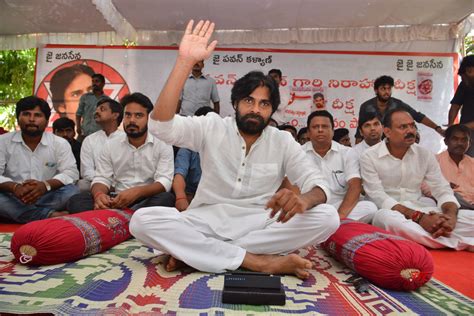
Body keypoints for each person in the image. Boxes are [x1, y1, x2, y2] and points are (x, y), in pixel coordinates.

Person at [130, 20, 339, 279]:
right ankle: (257, 262)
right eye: (249, 100)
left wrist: (304, 199)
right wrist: (185, 62)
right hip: (205, 221)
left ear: (272, 111)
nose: (255, 109)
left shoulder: (282, 141)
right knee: (141, 221)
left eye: (264, 104)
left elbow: (319, 184)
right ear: (235, 103)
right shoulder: (212, 127)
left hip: (259, 223)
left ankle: (199, 254)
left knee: (328, 217)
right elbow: (161, 126)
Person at [360, 108, 473, 250]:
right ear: (387, 132)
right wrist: (419, 218)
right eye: (403, 127)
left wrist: (450, 217)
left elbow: (442, 188)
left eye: (412, 126)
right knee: (387, 220)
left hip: (421, 207)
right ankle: (461, 243)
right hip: (389, 211)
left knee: (469, 217)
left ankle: (437, 231)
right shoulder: (369, 156)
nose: (411, 130)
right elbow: (377, 196)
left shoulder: (424, 154)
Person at [67, 93, 175, 212]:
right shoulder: (111, 145)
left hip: (146, 198)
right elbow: (102, 178)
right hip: (116, 198)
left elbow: (164, 182)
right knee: (76, 201)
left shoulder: (162, 144)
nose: (132, 120)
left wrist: (137, 192)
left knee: (166, 199)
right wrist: (99, 196)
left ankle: (115, 218)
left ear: (149, 119)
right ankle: (128, 217)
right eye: (128, 115)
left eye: (138, 115)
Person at [0, 96, 79, 223]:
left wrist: (45, 185)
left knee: (73, 192)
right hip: (13, 195)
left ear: (47, 121)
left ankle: (21, 213)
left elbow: (71, 172)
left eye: (38, 115)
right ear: (18, 118)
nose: (31, 119)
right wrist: (15, 187)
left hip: (47, 195)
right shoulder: (3, 141)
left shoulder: (59, 143)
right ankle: (49, 215)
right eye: (26, 114)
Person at [303, 110, 377, 222]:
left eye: (325, 126)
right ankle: (333, 227)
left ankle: (328, 226)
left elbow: (355, 186)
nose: (320, 130)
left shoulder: (347, 153)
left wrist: (339, 216)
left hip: (340, 206)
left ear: (332, 131)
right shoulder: (298, 153)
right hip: (311, 209)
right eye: (315, 127)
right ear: (308, 132)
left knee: (370, 208)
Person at [356, 75, 444, 142]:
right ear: (376, 90)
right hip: (373, 145)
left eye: (389, 89)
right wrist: (357, 149)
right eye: (383, 89)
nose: (387, 92)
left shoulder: (397, 104)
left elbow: (418, 116)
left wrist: (437, 128)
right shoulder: (366, 106)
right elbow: (360, 131)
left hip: (394, 144)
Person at [78, 98, 125, 192]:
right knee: (80, 185)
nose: (96, 112)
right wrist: (104, 184)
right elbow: (86, 172)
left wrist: (114, 185)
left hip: (122, 185)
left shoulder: (127, 139)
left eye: (102, 109)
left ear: (115, 115)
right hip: (95, 184)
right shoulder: (89, 140)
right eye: (96, 109)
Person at [173, 106, 214, 211]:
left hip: (214, 196)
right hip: (191, 194)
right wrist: (181, 198)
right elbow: (179, 176)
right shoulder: (187, 147)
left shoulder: (224, 146)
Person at [423, 124, 473, 209]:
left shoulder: (472, 162)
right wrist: (444, 186)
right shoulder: (434, 161)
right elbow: (424, 185)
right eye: (455, 139)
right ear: (446, 141)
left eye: (464, 140)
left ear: (469, 143)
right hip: (448, 204)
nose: (459, 143)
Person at [448, 55, 474, 157]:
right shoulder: (464, 85)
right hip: (466, 133)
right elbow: (455, 106)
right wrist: (451, 126)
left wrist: (462, 127)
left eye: (468, 74)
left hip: (466, 129)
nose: (464, 80)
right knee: (459, 158)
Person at [76, 73, 108, 140]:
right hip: (84, 133)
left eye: (97, 81)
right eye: (93, 81)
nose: (94, 84)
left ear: (103, 83)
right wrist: (78, 127)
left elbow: (107, 118)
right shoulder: (85, 97)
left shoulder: (107, 100)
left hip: (98, 135)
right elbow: (78, 114)